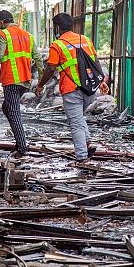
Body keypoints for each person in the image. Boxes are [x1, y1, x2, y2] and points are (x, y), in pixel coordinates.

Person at [35, 13, 106, 164]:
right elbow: (95, 62)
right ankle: (88, 142)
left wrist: (40, 85)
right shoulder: (85, 40)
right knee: (79, 118)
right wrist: (101, 81)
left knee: (75, 124)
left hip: (71, 89)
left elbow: (50, 69)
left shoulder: (58, 45)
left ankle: (81, 158)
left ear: (58, 28)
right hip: (91, 88)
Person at [0, 10, 45, 156]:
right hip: (25, 80)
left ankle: (22, 148)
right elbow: (38, 58)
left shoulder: (4, 34)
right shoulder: (28, 35)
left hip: (11, 79)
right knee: (7, 107)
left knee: (14, 112)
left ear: (2, 22)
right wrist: (41, 80)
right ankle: (19, 142)